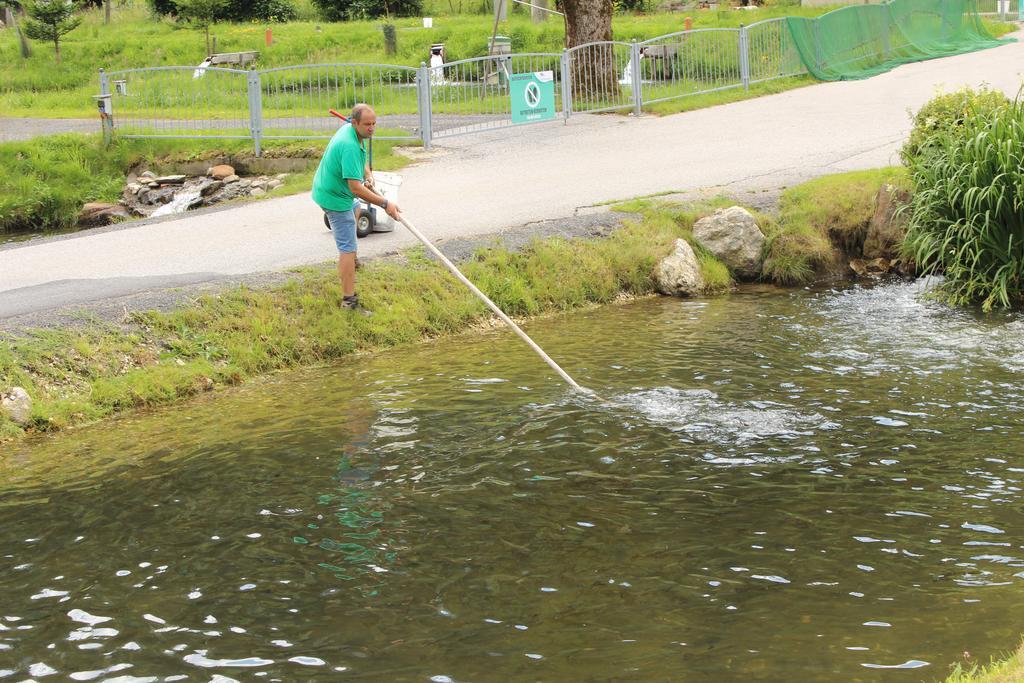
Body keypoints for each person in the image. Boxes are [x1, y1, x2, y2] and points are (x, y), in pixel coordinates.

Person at [312, 103, 401, 314]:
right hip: (334, 198)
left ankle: (353, 261)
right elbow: (355, 188)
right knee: (347, 248)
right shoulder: (349, 145)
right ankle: (349, 302)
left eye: (374, 123)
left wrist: (368, 174)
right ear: (355, 123)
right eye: (367, 124)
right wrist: (385, 203)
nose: (372, 128)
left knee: (356, 208)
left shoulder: (351, 131)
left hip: (330, 189)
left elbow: (360, 164)